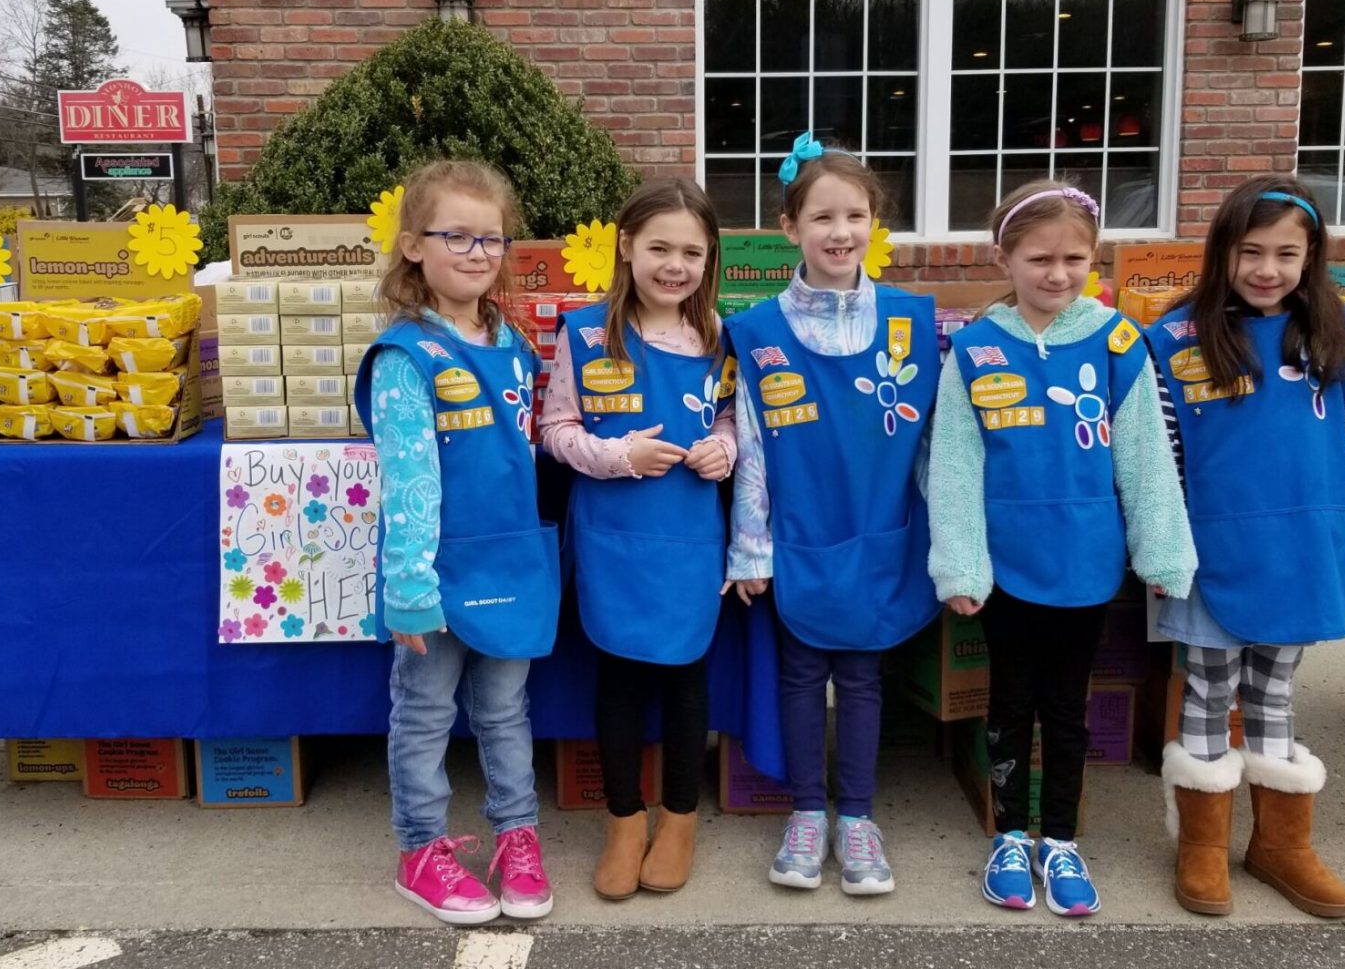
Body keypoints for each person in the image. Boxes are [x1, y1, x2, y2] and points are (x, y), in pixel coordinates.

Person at [929, 180, 1195, 917]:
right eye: (1039, 258)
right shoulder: (976, 349)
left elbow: (1145, 456)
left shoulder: (1117, 343)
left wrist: (1163, 551)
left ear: (1094, 257)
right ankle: (1009, 834)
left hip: (1085, 563)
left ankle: (1062, 839)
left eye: (1074, 258)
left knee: (1067, 708)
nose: (1057, 273)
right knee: (1010, 704)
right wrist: (960, 562)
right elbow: (954, 463)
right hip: (1006, 570)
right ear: (1004, 258)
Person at [1146, 174, 1345, 920]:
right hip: (1211, 552)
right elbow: (1164, 456)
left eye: (1287, 253)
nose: (1267, 269)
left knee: (1276, 693)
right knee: (1210, 693)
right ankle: (1204, 845)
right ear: (1223, 251)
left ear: (1311, 256)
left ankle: (1281, 845)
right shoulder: (1177, 337)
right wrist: (1162, 547)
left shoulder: (1335, 333)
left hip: (1305, 547)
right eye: (1251, 251)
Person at [726, 133, 939, 896]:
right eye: (822, 216)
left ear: (875, 223)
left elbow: (931, 447)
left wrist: (947, 545)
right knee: (798, 671)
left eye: (856, 214)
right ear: (790, 227)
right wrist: (751, 548)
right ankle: (805, 810)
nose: (840, 231)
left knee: (861, 676)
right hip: (798, 536)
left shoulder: (916, 322)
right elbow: (749, 442)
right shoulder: (754, 333)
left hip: (881, 532)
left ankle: (856, 815)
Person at [354, 160, 560, 926]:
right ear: (412, 244)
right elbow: (409, 480)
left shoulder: (513, 342)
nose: (478, 252)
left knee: (507, 707)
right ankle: (421, 847)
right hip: (434, 571)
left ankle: (517, 834)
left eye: (492, 238)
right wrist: (408, 585)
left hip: (510, 559)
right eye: (457, 236)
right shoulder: (406, 357)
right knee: (426, 707)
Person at [541, 177, 737, 901]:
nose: (674, 264)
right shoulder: (585, 332)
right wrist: (618, 455)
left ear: (709, 255)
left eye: (691, 250)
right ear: (626, 246)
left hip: (687, 535)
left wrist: (726, 448)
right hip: (614, 536)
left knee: (687, 680)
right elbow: (555, 430)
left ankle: (680, 819)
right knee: (619, 679)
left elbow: (728, 419)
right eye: (659, 247)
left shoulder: (719, 335)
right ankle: (625, 819)